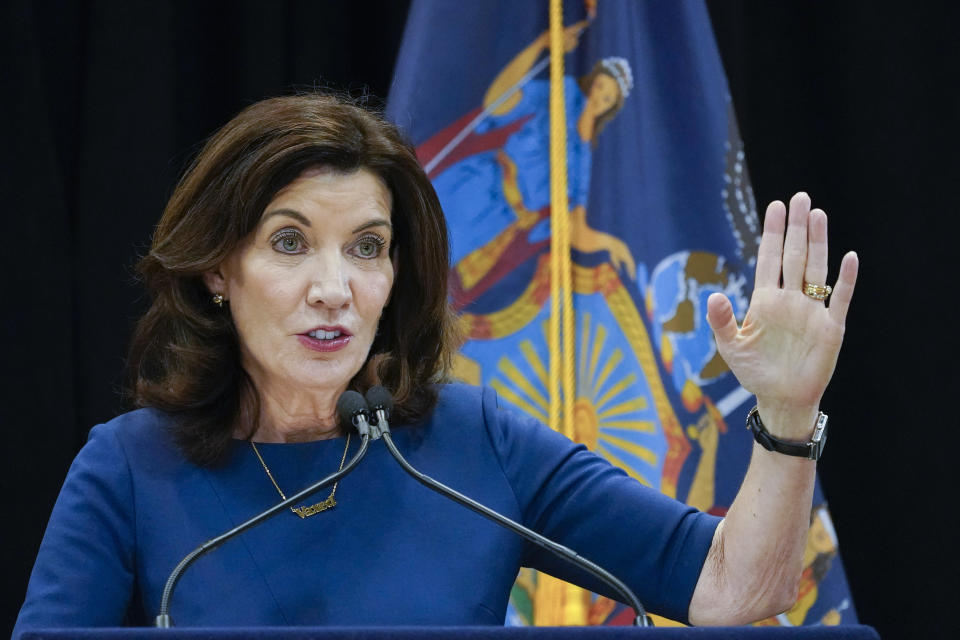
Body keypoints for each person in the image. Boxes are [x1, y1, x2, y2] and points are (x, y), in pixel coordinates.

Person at [13, 93, 859, 635]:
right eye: (289, 243)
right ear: (217, 272)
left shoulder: (467, 441)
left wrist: (786, 415)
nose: (334, 289)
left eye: (367, 248)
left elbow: (731, 588)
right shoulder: (127, 469)